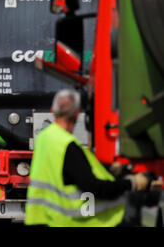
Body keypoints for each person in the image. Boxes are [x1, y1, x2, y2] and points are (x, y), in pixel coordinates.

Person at [25, 89, 161, 227]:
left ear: (53, 110)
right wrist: (132, 183)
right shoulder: (67, 145)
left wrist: (109, 169)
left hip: (41, 218)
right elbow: (94, 187)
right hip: (68, 222)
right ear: (77, 114)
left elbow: (67, 171)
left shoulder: (44, 137)